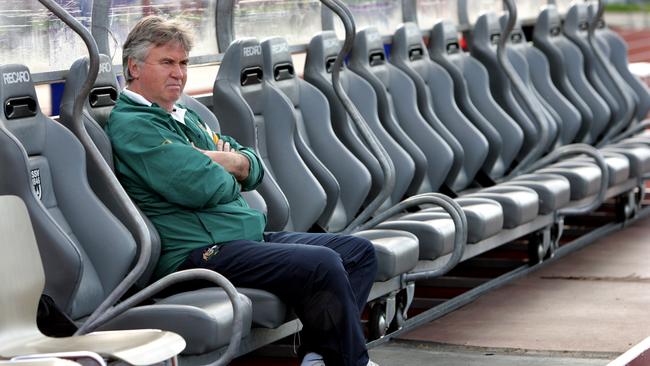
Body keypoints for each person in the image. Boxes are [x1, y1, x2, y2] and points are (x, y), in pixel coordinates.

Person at [105, 15, 379, 366]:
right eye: (167, 62)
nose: (179, 73)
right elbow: (200, 187)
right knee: (323, 263)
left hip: (239, 237)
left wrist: (228, 163)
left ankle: (320, 357)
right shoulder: (133, 125)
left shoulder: (185, 115)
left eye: (184, 63)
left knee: (358, 252)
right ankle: (350, 362)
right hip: (197, 252)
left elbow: (253, 165)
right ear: (134, 67)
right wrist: (228, 166)